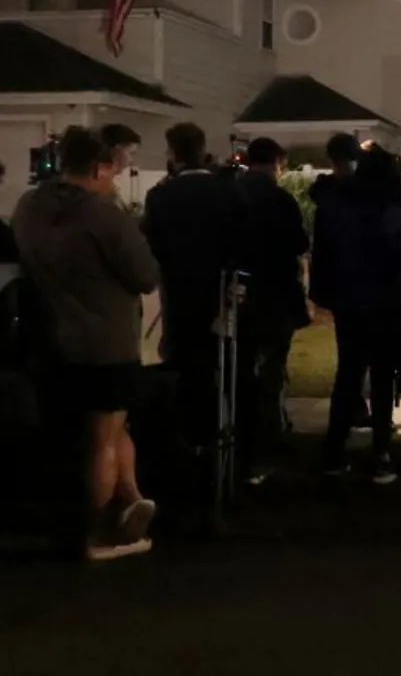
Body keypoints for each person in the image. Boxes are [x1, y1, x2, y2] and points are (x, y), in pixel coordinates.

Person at [12, 126, 161, 559]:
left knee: (113, 426)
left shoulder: (30, 208)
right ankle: (101, 531)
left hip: (53, 335)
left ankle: (130, 496)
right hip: (106, 339)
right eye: (111, 173)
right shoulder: (104, 216)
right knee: (103, 436)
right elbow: (145, 274)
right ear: (98, 168)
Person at [142, 121, 242, 526]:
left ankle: (184, 453)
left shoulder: (162, 196)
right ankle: (216, 448)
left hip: (180, 294)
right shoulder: (226, 192)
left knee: (182, 368)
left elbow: (152, 247)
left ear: (173, 152)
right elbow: (241, 241)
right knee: (217, 371)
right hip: (217, 293)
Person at [319, 146, 401, 482]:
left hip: (350, 303)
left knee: (348, 374)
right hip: (385, 303)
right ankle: (381, 451)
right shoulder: (391, 212)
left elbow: (326, 255)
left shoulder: (340, 208)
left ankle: (334, 449)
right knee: (383, 378)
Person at [231, 137, 309, 483]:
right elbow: (299, 243)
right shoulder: (280, 200)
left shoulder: (232, 195)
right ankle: (267, 438)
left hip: (241, 293)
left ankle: (240, 439)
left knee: (242, 368)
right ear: (276, 162)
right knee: (272, 369)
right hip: (275, 295)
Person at [308, 133, 368, 430]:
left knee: (349, 352)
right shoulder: (357, 195)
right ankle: (345, 416)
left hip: (338, 286)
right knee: (355, 358)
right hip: (361, 284)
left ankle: (352, 408)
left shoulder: (325, 196)